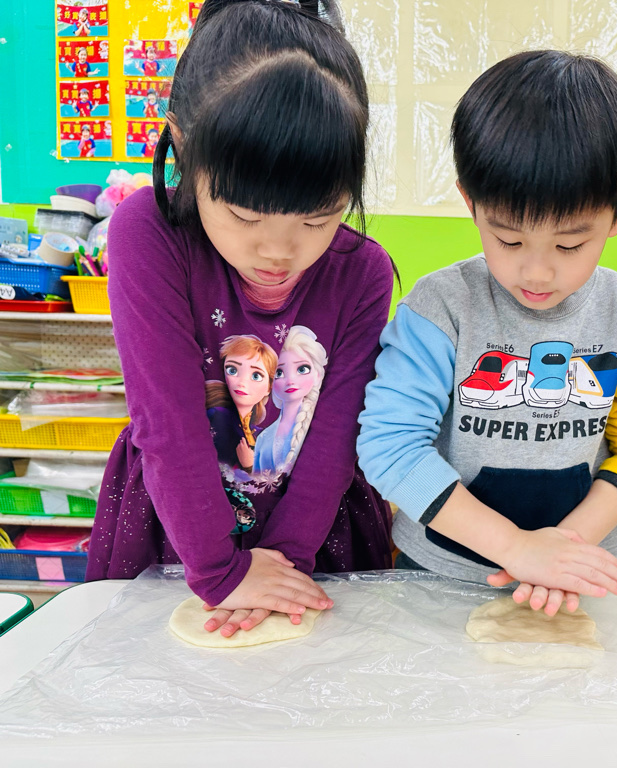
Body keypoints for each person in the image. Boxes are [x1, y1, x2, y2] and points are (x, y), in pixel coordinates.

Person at [85, 0, 396, 640]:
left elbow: (336, 437)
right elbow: (168, 424)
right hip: (182, 522)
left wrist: (285, 562)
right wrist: (219, 569)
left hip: (314, 523)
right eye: (245, 217)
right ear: (183, 150)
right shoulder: (148, 233)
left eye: (317, 219)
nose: (278, 252)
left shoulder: (363, 272)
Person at [358, 50, 617, 616]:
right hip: (441, 575)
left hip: (580, 574)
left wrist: (564, 550)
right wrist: (517, 549)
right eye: (508, 240)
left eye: (569, 245)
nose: (536, 272)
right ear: (470, 203)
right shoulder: (439, 310)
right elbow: (390, 447)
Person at [253, 325, 328, 476]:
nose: (290, 381)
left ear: (317, 375)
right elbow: (255, 481)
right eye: (279, 372)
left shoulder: (323, 427)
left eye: (302, 369)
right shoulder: (263, 438)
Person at [205, 334, 277, 473]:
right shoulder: (215, 415)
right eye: (232, 370)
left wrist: (250, 465)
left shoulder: (260, 435)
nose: (242, 382)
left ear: (269, 388)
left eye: (256, 376)